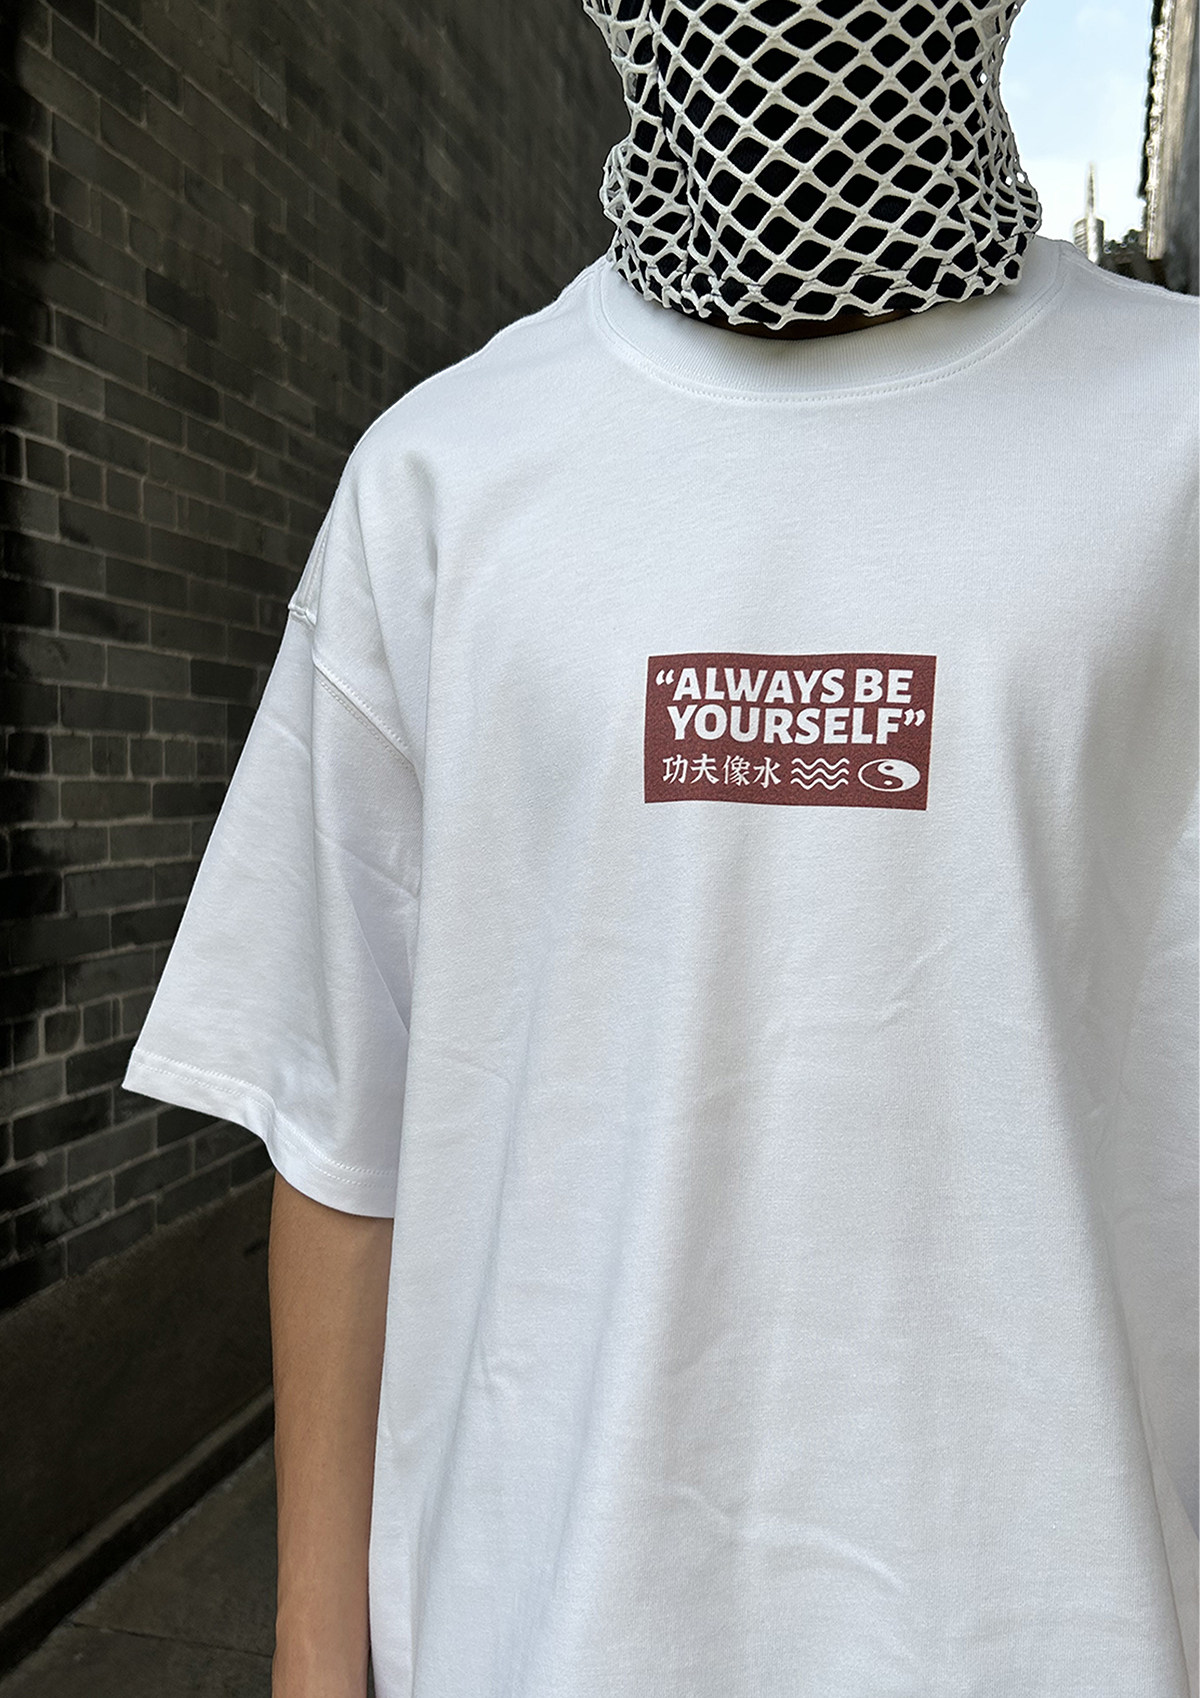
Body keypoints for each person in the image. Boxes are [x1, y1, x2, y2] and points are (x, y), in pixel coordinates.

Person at [122, 3, 1199, 1695]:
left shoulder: (1174, 443)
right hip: (538, 1628)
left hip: (1069, 1626)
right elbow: (341, 1127)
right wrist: (313, 1654)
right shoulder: (440, 482)